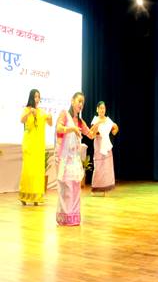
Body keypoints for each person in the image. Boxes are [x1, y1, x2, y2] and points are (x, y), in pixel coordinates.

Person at [55, 92, 93, 225]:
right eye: (79, 101)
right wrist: (71, 128)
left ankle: (74, 217)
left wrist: (99, 124)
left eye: (83, 102)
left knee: (75, 186)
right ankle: (65, 216)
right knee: (66, 186)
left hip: (74, 158)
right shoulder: (64, 114)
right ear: (72, 101)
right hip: (64, 157)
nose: (81, 104)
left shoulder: (80, 122)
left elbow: (90, 134)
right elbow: (59, 128)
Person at [18, 89, 53, 205]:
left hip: (38, 145)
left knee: (37, 171)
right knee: (28, 170)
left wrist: (50, 117)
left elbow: (50, 124)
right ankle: (25, 195)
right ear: (31, 98)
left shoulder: (41, 112)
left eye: (38, 97)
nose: (37, 99)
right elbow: (21, 120)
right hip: (29, 144)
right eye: (35, 96)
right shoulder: (26, 109)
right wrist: (29, 113)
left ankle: (36, 196)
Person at [89, 101, 119, 195]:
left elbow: (115, 128)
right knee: (98, 166)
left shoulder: (108, 120)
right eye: (101, 108)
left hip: (106, 144)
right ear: (97, 109)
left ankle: (105, 188)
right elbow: (92, 133)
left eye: (104, 108)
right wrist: (98, 123)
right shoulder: (95, 119)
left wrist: (114, 129)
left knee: (107, 167)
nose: (102, 110)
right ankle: (95, 188)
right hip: (98, 143)